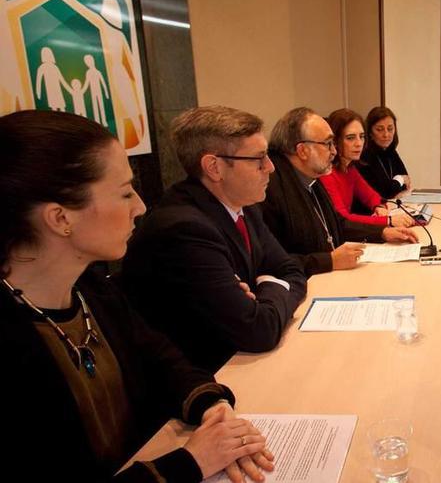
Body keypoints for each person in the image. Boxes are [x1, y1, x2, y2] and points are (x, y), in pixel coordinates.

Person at [0, 110, 273, 482]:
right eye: (125, 192)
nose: (140, 207)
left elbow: (162, 358)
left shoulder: (92, 290)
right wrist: (190, 462)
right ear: (61, 218)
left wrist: (211, 404)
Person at [122, 106, 307, 372]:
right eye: (258, 158)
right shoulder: (183, 229)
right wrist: (273, 285)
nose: (271, 167)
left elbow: (292, 271)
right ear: (214, 167)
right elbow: (259, 331)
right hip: (201, 379)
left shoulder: (246, 206)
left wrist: (261, 291)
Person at [262, 107, 418, 277]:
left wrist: (382, 232)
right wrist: (330, 260)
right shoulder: (272, 189)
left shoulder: (311, 177)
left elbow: (337, 224)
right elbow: (271, 262)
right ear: (303, 151)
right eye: (328, 144)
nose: (334, 151)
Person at [320, 108, 413, 228]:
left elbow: (371, 196)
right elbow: (343, 218)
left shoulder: (350, 168)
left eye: (361, 136)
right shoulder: (326, 172)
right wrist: (387, 221)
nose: (359, 143)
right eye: (350, 138)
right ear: (335, 141)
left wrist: (378, 207)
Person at [359, 106, 411, 199]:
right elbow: (382, 193)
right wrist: (400, 179)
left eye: (390, 129)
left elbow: (406, 183)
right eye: (379, 129)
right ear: (370, 132)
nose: (386, 134)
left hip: (392, 206)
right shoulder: (364, 156)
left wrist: (397, 183)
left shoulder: (391, 151)